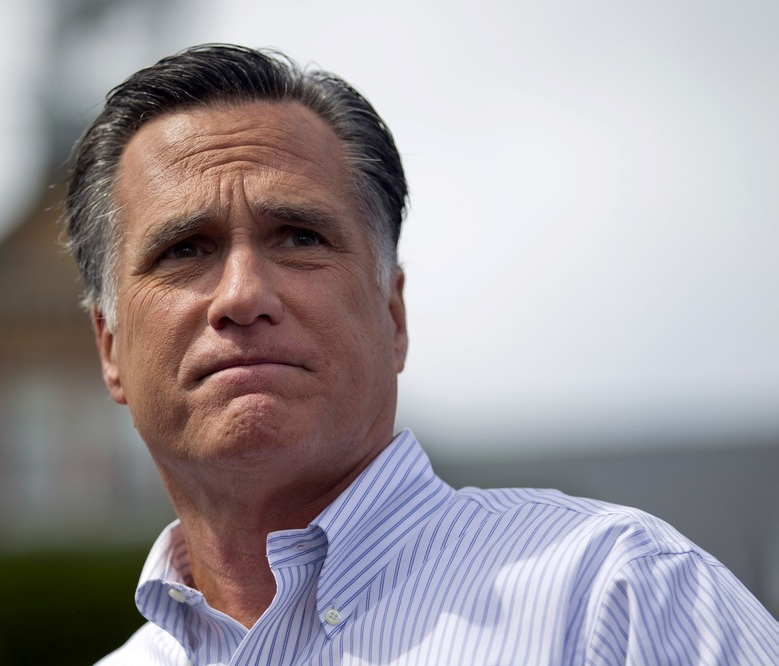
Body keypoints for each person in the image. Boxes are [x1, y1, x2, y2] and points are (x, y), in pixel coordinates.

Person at [63, 44, 777, 665]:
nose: (243, 294)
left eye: (299, 237)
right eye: (185, 249)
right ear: (110, 347)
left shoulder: (617, 599)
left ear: (394, 314)